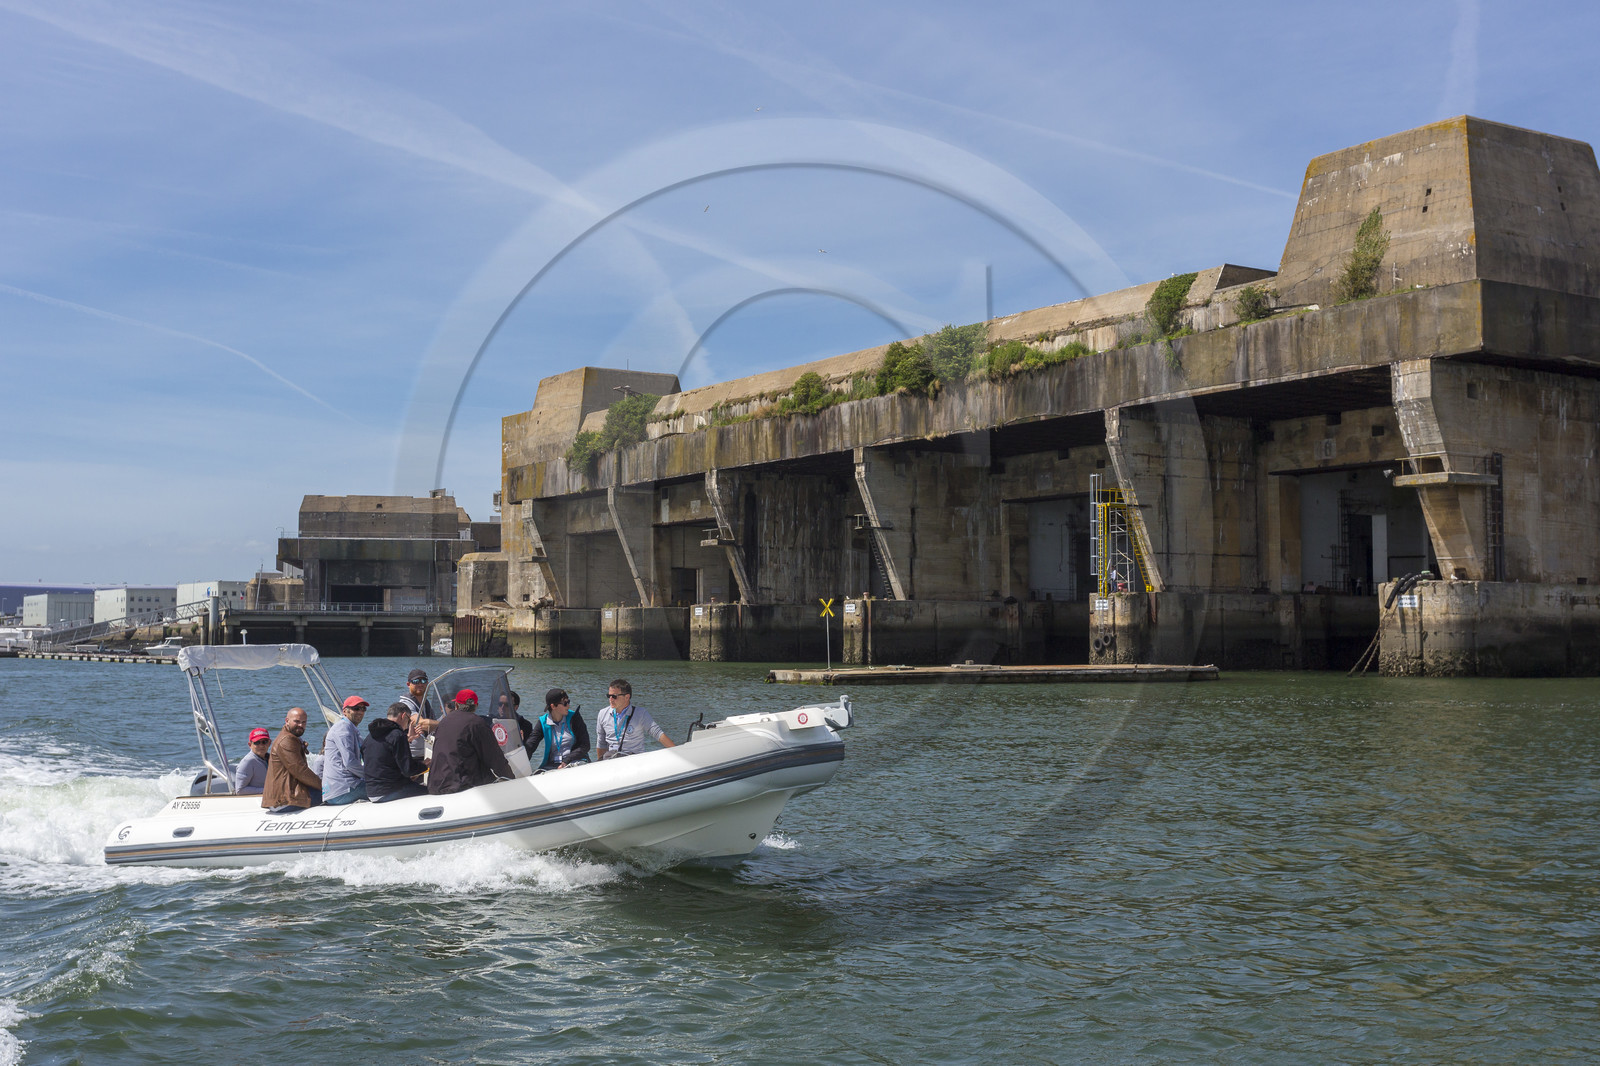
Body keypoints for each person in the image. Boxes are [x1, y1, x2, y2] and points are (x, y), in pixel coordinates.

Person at [427, 688, 514, 795]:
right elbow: (495, 758)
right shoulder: (477, 723)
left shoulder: (443, 722)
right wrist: (512, 781)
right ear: (476, 706)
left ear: (457, 705)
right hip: (462, 787)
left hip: (435, 785)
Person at [363, 702, 429, 802]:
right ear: (403, 716)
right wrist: (425, 765)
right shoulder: (397, 735)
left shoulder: (370, 737)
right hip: (389, 791)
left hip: (372, 792)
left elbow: (384, 755)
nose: (408, 725)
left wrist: (408, 739)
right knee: (431, 791)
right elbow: (408, 770)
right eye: (409, 719)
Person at [595, 679, 676, 760]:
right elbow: (601, 743)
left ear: (627, 697)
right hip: (611, 759)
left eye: (614, 696)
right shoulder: (602, 714)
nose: (611, 699)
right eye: (609, 696)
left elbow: (658, 734)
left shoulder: (640, 713)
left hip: (634, 760)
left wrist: (678, 752)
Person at [262, 706, 321, 812]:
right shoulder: (286, 740)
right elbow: (300, 771)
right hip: (285, 800)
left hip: (285, 796)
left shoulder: (291, 738)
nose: (301, 725)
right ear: (287, 721)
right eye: (297, 721)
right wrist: (323, 785)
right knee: (334, 794)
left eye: (304, 722)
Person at [321, 695, 369, 805]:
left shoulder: (352, 730)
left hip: (341, 789)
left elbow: (368, 749)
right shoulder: (343, 729)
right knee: (386, 788)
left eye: (363, 709)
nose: (360, 712)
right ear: (345, 711)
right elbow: (350, 763)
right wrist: (372, 775)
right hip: (343, 790)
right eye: (356, 708)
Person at [529, 687, 590, 771]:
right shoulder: (543, 722)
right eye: (565, 703)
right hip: (553, 765)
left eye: (568, 701)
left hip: (574, 761)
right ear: (553, 706)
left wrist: (566, 760)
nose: (568, 705)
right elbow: (531, 745)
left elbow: (585, 745)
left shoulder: (574, 717)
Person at [398, 668, 439, 761]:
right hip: (411, 756)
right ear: (408, 684)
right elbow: (421, 723)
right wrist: (449, 724)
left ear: (427, 683)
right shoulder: (405, 704)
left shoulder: (425, 703)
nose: (420, 684)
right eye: (416, 681)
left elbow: (434, 724)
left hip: (427, 753)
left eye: (423, 681)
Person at [232, 727, 271, 795]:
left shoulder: (271, 758)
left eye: (264, 742)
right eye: (257, 742)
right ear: (250, 745)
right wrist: (267, 791)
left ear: (269, 743)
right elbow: (240, 790)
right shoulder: (247, 762)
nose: (261, 745)